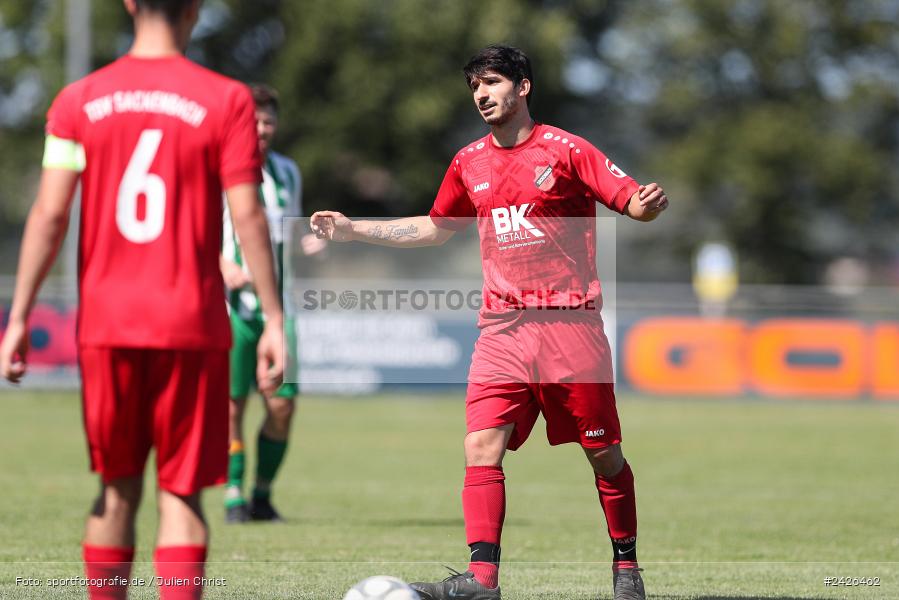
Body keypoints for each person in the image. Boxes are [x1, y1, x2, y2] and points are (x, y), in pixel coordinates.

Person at [311, 45, 668, 600]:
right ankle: (482, 583)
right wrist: (356, 229)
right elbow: (435, 227)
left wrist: (647, 205)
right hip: (501, 330)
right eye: (475, 86)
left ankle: (626, 567)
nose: (482, 94)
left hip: (570, 329)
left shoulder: (567, 150)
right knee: (480, 448)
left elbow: (630, 200)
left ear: (522, 87)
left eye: (493, 82)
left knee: (604, 454)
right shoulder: (468, 162)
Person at [0, 1, 284, 599]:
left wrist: (20, 315)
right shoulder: (226, 99)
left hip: (106, 323)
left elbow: (51, 213)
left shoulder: (77, 101)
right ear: (197, 8)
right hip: (192, 324)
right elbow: (248, 214)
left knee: (116, 487)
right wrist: (275, 319)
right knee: (181, 495)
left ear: (129, 3)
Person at [221, 84, 322, 523]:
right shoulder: (218, 169)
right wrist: (222, 265)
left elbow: (289, 231)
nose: (262, 129)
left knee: (281, 404)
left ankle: (262, 493)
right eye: (254, 120)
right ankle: (232, 494)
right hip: (230, 307)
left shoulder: (287, 173)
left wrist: (311, 241)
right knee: (231, 405)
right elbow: (198, 230)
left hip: (279, 308)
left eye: (268, 121)